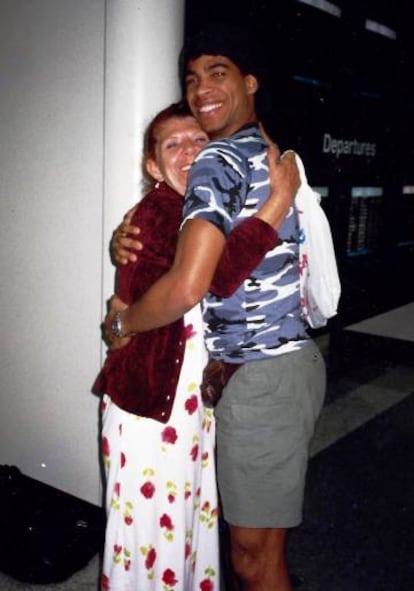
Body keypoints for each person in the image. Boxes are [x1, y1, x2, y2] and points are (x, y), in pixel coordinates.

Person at [106, 24, 324, 591]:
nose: (202, 87)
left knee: (250, 554)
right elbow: (183, 274)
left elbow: (195, 284)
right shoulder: (262, 154)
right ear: (152, 165)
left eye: (218, 72)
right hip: (243, 379)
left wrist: (121, 321)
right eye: (192, 77)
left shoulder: (224, 162)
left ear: (250, 83)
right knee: (244, 547)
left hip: (260, 375)